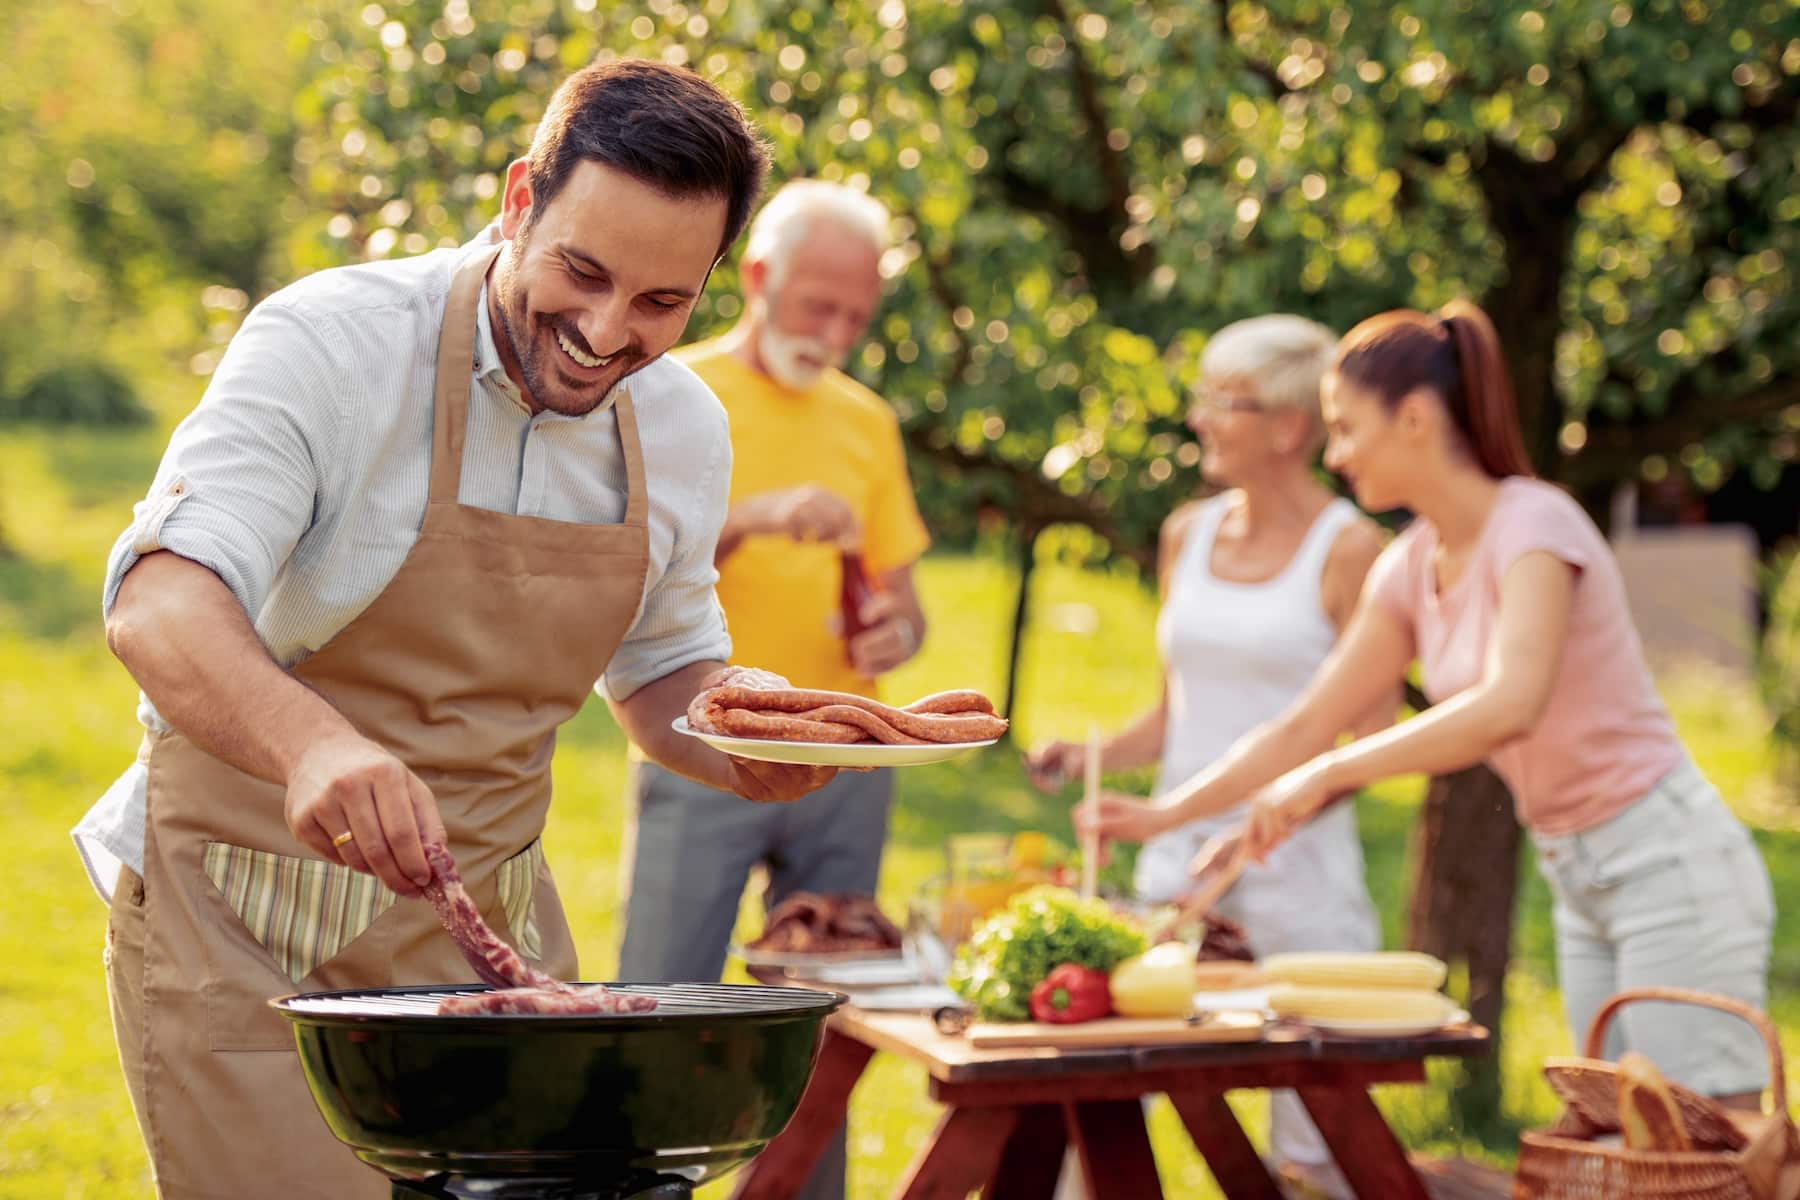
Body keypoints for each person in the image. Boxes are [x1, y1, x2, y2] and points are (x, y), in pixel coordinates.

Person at [77, 59, 846, 1198]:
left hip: (486, 939)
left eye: (660, 303)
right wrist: (316, 746)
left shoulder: (683, 425)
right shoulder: (333, 345)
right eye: (583, 272)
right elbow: (161, 599)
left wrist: (746, 742)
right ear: (520, 197)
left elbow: (664, 670)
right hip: (247, 930)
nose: (603, 331)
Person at [1083, 301, 1776, 1106]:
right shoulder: (1411, 564)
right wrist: (1169, 818)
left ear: (1413, 419)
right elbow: (1307, 721)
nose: (1335, 456)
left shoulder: (1534, 525)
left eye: (1346, 429)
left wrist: (1323, 774)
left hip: (1667, 859)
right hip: (1577, 869)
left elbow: (1509, 702)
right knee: (1626, 1132)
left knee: (1712, 1136)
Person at [616, 179, 929, 1200]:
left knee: (820, 1017)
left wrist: (897, 627)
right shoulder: (669, 390)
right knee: (663, 1001)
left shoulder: (867, 422)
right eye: (816, 306)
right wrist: (756, 513)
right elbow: (628, 555)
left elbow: (906, 599)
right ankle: (640, 1183)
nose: (835, 332)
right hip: (699, 744)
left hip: (846, 759)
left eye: (856, 315)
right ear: (755, 278)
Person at [1027, 315, 1390, 1192]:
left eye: (1223, 403)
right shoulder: (1186, 534)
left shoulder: (1350, 550)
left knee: (1318, 1153)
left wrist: (1274, 816)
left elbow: (1369, 741)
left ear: (1289, 427)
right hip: (1175, 872)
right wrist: (1093, 753)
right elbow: (1173, 709)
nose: (1200, 420)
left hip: (1301, 885)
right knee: (1103, 1110)